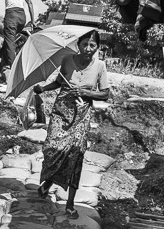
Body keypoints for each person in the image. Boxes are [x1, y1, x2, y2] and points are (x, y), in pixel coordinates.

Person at [33, 32, 109, 218]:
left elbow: (105, 94)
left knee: (75, 155)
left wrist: (85, 92)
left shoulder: (100, 66)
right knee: (52, 149)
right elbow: (59, 82)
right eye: (84, 44)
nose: (88, 49)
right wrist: (43, 88)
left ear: (97, 47)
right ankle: (49, 183)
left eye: (92, 45)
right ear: (78, 45)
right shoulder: (67, 60)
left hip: (81, 116)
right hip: (61, 112)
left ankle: (69, 203)